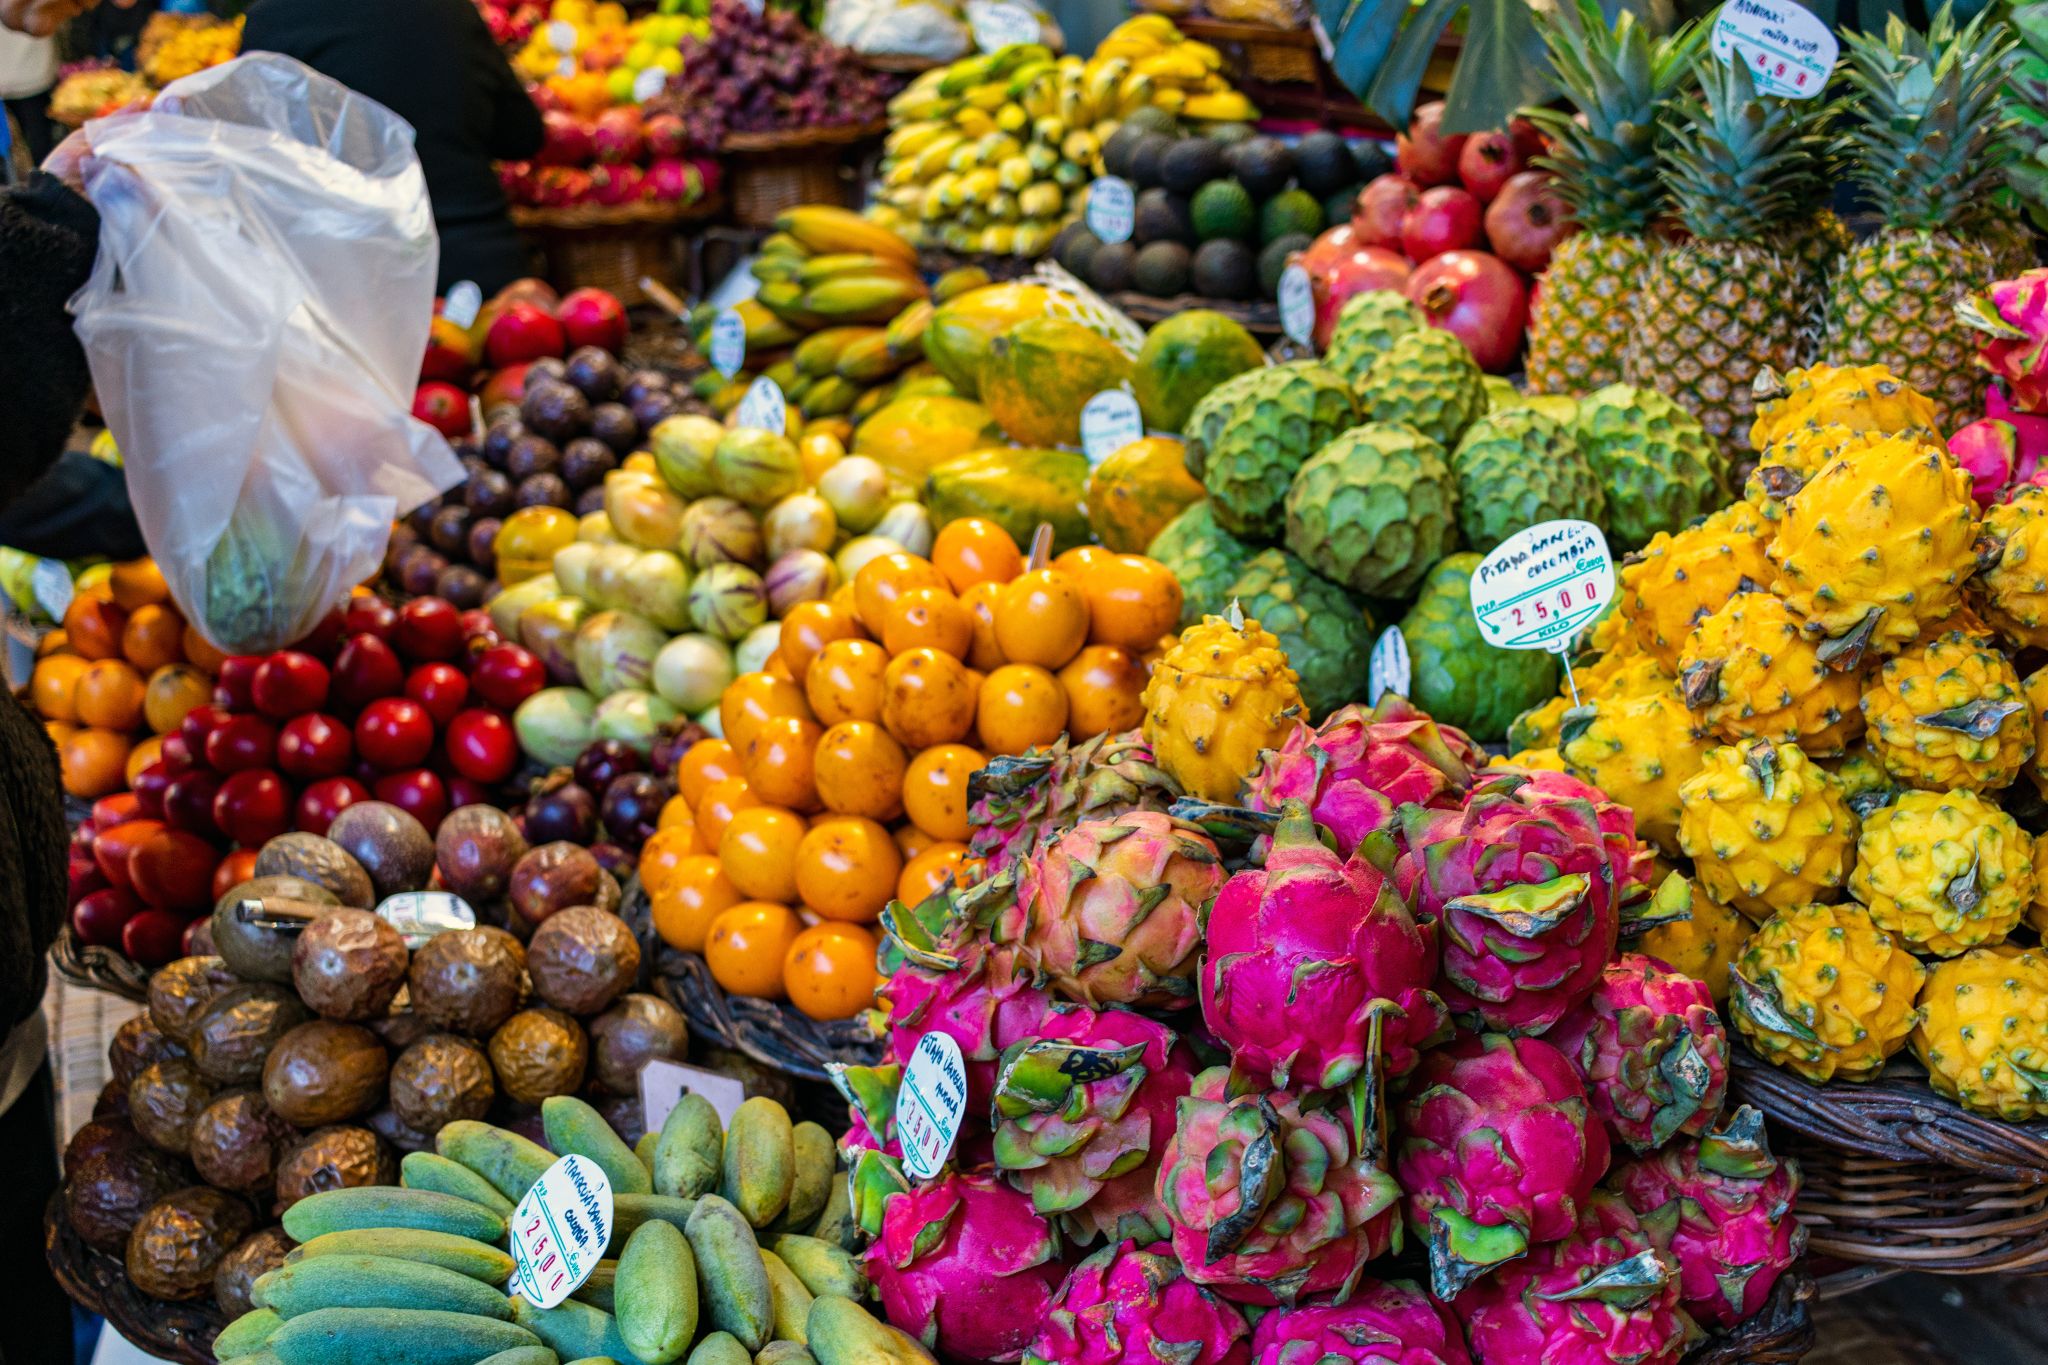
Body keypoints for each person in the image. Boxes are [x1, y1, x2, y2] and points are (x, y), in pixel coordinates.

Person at [239, 0, 543, 294]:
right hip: (480, 269)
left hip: (355, 286)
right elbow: (522, 135)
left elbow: (251, 160)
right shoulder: (451, 9)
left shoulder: (275, 19)